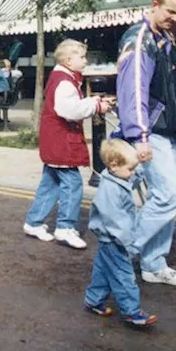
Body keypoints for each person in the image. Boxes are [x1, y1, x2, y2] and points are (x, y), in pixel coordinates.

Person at [116, 0, 176, 287]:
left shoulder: (164, 39)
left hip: (163, 130)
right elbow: (133, 91)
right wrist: (139, 137)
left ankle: (153, 265)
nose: (174, 19)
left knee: (165, 197)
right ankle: (122, 254)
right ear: (154, 4)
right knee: (168, 196)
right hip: (150, 131)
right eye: (170, 12)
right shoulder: (140, 39)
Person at [24, 40, 111, 249]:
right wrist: (96, 104)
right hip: (63, 140)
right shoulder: (65, 82)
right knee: (73, 185)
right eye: (82, 57)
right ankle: (65, 227)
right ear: (69, 60)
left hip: (54, 139)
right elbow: (69, 110)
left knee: (50, 183)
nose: (85, 60)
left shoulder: (61, 77)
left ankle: (34, 222)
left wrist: (93, 103)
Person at [85, 139, 157, 329]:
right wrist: (129, 244)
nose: (132, 172)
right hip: (115, 239)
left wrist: (140, 164)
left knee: (103, 270)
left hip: (109, 238)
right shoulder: (110, 190)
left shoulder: (117, 176)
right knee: (124, 275)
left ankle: (94, 300)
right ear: (114, 165)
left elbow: (132, 178)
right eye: (130, 168)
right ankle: (132, 311)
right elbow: (117, 222)